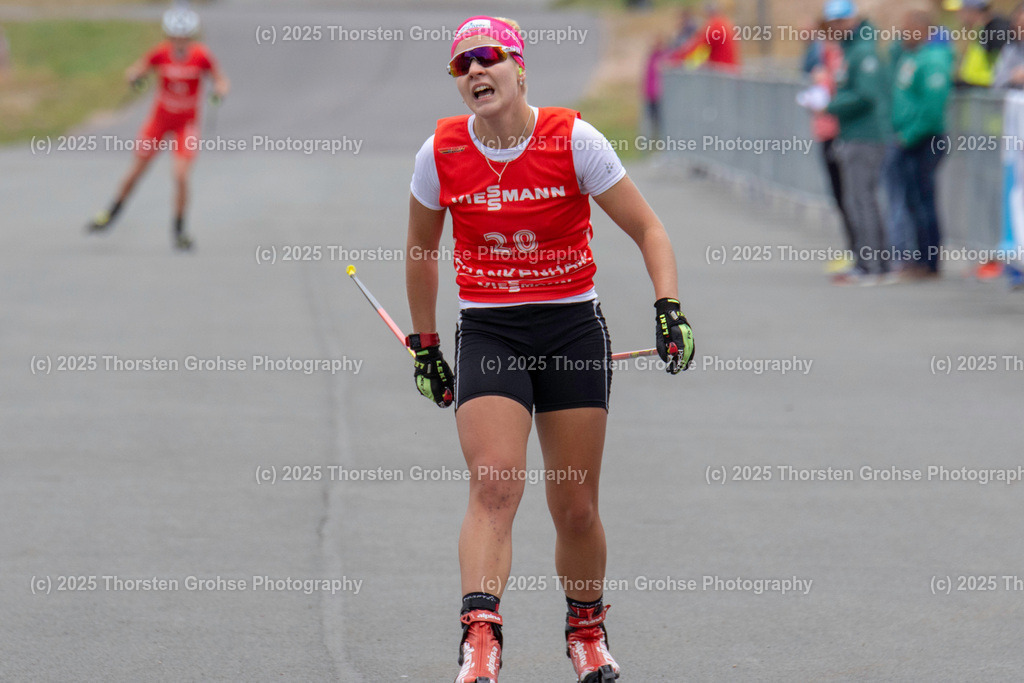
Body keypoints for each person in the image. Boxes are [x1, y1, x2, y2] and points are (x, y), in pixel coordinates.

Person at [405, 15, 695, 683]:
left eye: (489, 58)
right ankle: (480, 636)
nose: (476, 71)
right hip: (491, 330)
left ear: (520, 68)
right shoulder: (440, 152)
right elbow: (422, 252)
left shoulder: (574, 140)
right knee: (495, 482)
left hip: (569, 328)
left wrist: (667, 307)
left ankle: (586, 630)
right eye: (462, 65)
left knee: (575, 504)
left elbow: (650, 228)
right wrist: (425, 345)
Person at [86, 4, 229, 250]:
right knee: (136, 171)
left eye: (185, 37)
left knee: (181, 176)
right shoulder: (161, 53)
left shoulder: (201, 56)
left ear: (192, 37)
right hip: (159, 122)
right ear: (168, 36)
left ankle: (180, 230)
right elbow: (136, 70)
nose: (180, 42)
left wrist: (219, 91)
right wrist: (134, 77)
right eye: (175, 37)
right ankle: (110, 214)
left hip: (186, 124)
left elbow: (221, 80)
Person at [820, 0, 892, 284]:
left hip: (866, 135)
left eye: (840, 21)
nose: (836, 27)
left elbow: (867, 94)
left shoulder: (864, 50)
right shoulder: (851, 48)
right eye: (832, 22)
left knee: (863, 200)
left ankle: (874, 265)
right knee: (856, 200)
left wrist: (831, 104)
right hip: (852, 133)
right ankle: (866, 262)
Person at [891, 9, 954, 279]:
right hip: (909, 138)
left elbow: (932, 108)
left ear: (922, 29)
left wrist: (910, 133)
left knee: (924, 200)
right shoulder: (911, 56)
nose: (904, 32)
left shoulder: (933, 60)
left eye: (908, 27)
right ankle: (918, 259)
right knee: (912, 200)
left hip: (925, 139)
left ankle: (930, 261)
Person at [798, 18, 856, 273]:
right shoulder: (822, 56)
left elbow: (844, 92)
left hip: (841, 133)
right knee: (839, 195)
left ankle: (862, 251)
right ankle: (854, 249)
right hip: (825, 132)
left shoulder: (843, 57)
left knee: (851, 195)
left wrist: (826, 81)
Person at [944, 0, 1012, 88]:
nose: (958, 16)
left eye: (961, 11)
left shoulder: (996, 31)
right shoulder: (981, 29)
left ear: (972, 10)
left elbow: (1005, 65)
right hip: (976, 90)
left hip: (987, 92)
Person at [667, 2, 741, 73]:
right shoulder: (725, 22)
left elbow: (698, 44)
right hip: (729, 73)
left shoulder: (716, 25)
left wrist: (677, 58)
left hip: (723, 74)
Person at [643, 36, 670, 141]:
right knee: (652, 119)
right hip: (651, 94)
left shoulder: (665, 57)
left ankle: (663, 140)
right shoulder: (652, 57)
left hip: (661, 95)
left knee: (662, 119)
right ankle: (654, 140)